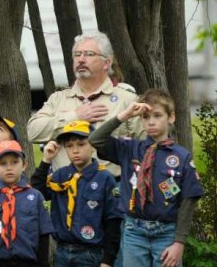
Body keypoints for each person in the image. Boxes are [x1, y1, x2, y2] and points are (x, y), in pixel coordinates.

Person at [88, 90, 204, 267]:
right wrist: (125, 115)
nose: (151, 122)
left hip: (167, 232)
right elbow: (96, 139)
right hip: (134, 230)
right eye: (145, 116)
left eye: (157, 116)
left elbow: (189, 200)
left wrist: (179, 243)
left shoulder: (181, 157)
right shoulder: (130, 149)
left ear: (171, 117)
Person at [28, 31, 145, 176]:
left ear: (106, 63)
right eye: (77, 55)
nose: (81, 60)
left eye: (89, 54)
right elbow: (33, 132)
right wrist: (74, 116)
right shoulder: (58, 99)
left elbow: (146, 147)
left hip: (112, 192)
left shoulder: (126, 99)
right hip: (66, 192)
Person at [30, 120, 121, 267]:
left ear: (93, 146)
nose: (75, 150)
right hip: (61, 252)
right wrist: (46, 160)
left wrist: (108, 260)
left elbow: (113, 221)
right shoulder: (60, 176)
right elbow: (35, 192)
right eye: (69, 146)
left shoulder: (105, 178)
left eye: (81, 144)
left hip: (91, 253)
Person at [0, 140, 53, 267]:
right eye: (2, 163)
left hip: (27, 262)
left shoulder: (35, 196)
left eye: (14, 162)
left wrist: (43, 264)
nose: (9, 167)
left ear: (24, 165)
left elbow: (43, 234)